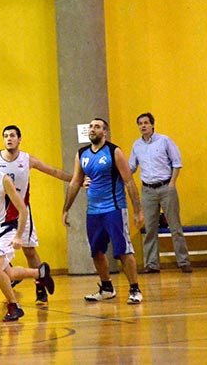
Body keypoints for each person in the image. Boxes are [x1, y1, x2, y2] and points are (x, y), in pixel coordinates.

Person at [0, 125, 72, 309]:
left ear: (19, 139)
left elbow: (53, 171)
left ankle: (37, 291)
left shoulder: (26, 160)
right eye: (5, 136)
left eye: (12, 136)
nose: (9, 139)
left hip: (16, 213)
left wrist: (75, 179)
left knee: (27, 251)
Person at [62, 118, 145, 304]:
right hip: (93, 211)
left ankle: (135, 289)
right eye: (91, 126)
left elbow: (129, 181)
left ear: (104, 132)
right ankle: (107, 288)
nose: (93, 129)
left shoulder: (114, 151)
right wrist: (66, 209)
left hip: (114, 208)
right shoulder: (81, 154)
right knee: (96, 252)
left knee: (123, 250)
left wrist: (138, 210)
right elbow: (75, 182)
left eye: (97, 127)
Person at [129, 112, 191, 273]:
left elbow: (177, 163)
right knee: (150, 229)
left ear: (152, 125)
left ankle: (183, 262)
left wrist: (172, 184)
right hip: (148, 190)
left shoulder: (164, 141)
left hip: (166, 187)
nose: (143, 126)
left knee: (175, 226)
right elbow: (131, 167)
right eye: (140, 123)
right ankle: (151, 264)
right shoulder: (136, 145)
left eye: (146, 123)